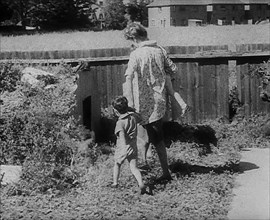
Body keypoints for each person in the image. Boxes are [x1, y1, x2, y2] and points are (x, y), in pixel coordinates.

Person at [123, 22, 179, 181]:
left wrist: (129, 101)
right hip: (159, 99)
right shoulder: (160, 50)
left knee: (157, 138)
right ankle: (146, 162)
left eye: (131, 40)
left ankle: (166, 173)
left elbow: (128, 77)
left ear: (134, 38)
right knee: (148, 132)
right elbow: (173, 70)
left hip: (142, 101)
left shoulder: (136, 54)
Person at [111, 96, 146, 194]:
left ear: (116, 111)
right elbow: (140, 118)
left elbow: (121, 136)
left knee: (117, 164)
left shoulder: (120, 123)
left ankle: (115, 182)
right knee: (134, 167)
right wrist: (131, 110)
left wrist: (123, 149)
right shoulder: (133, 117)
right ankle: (141, 183)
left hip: (123, 146)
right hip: (133, 146)